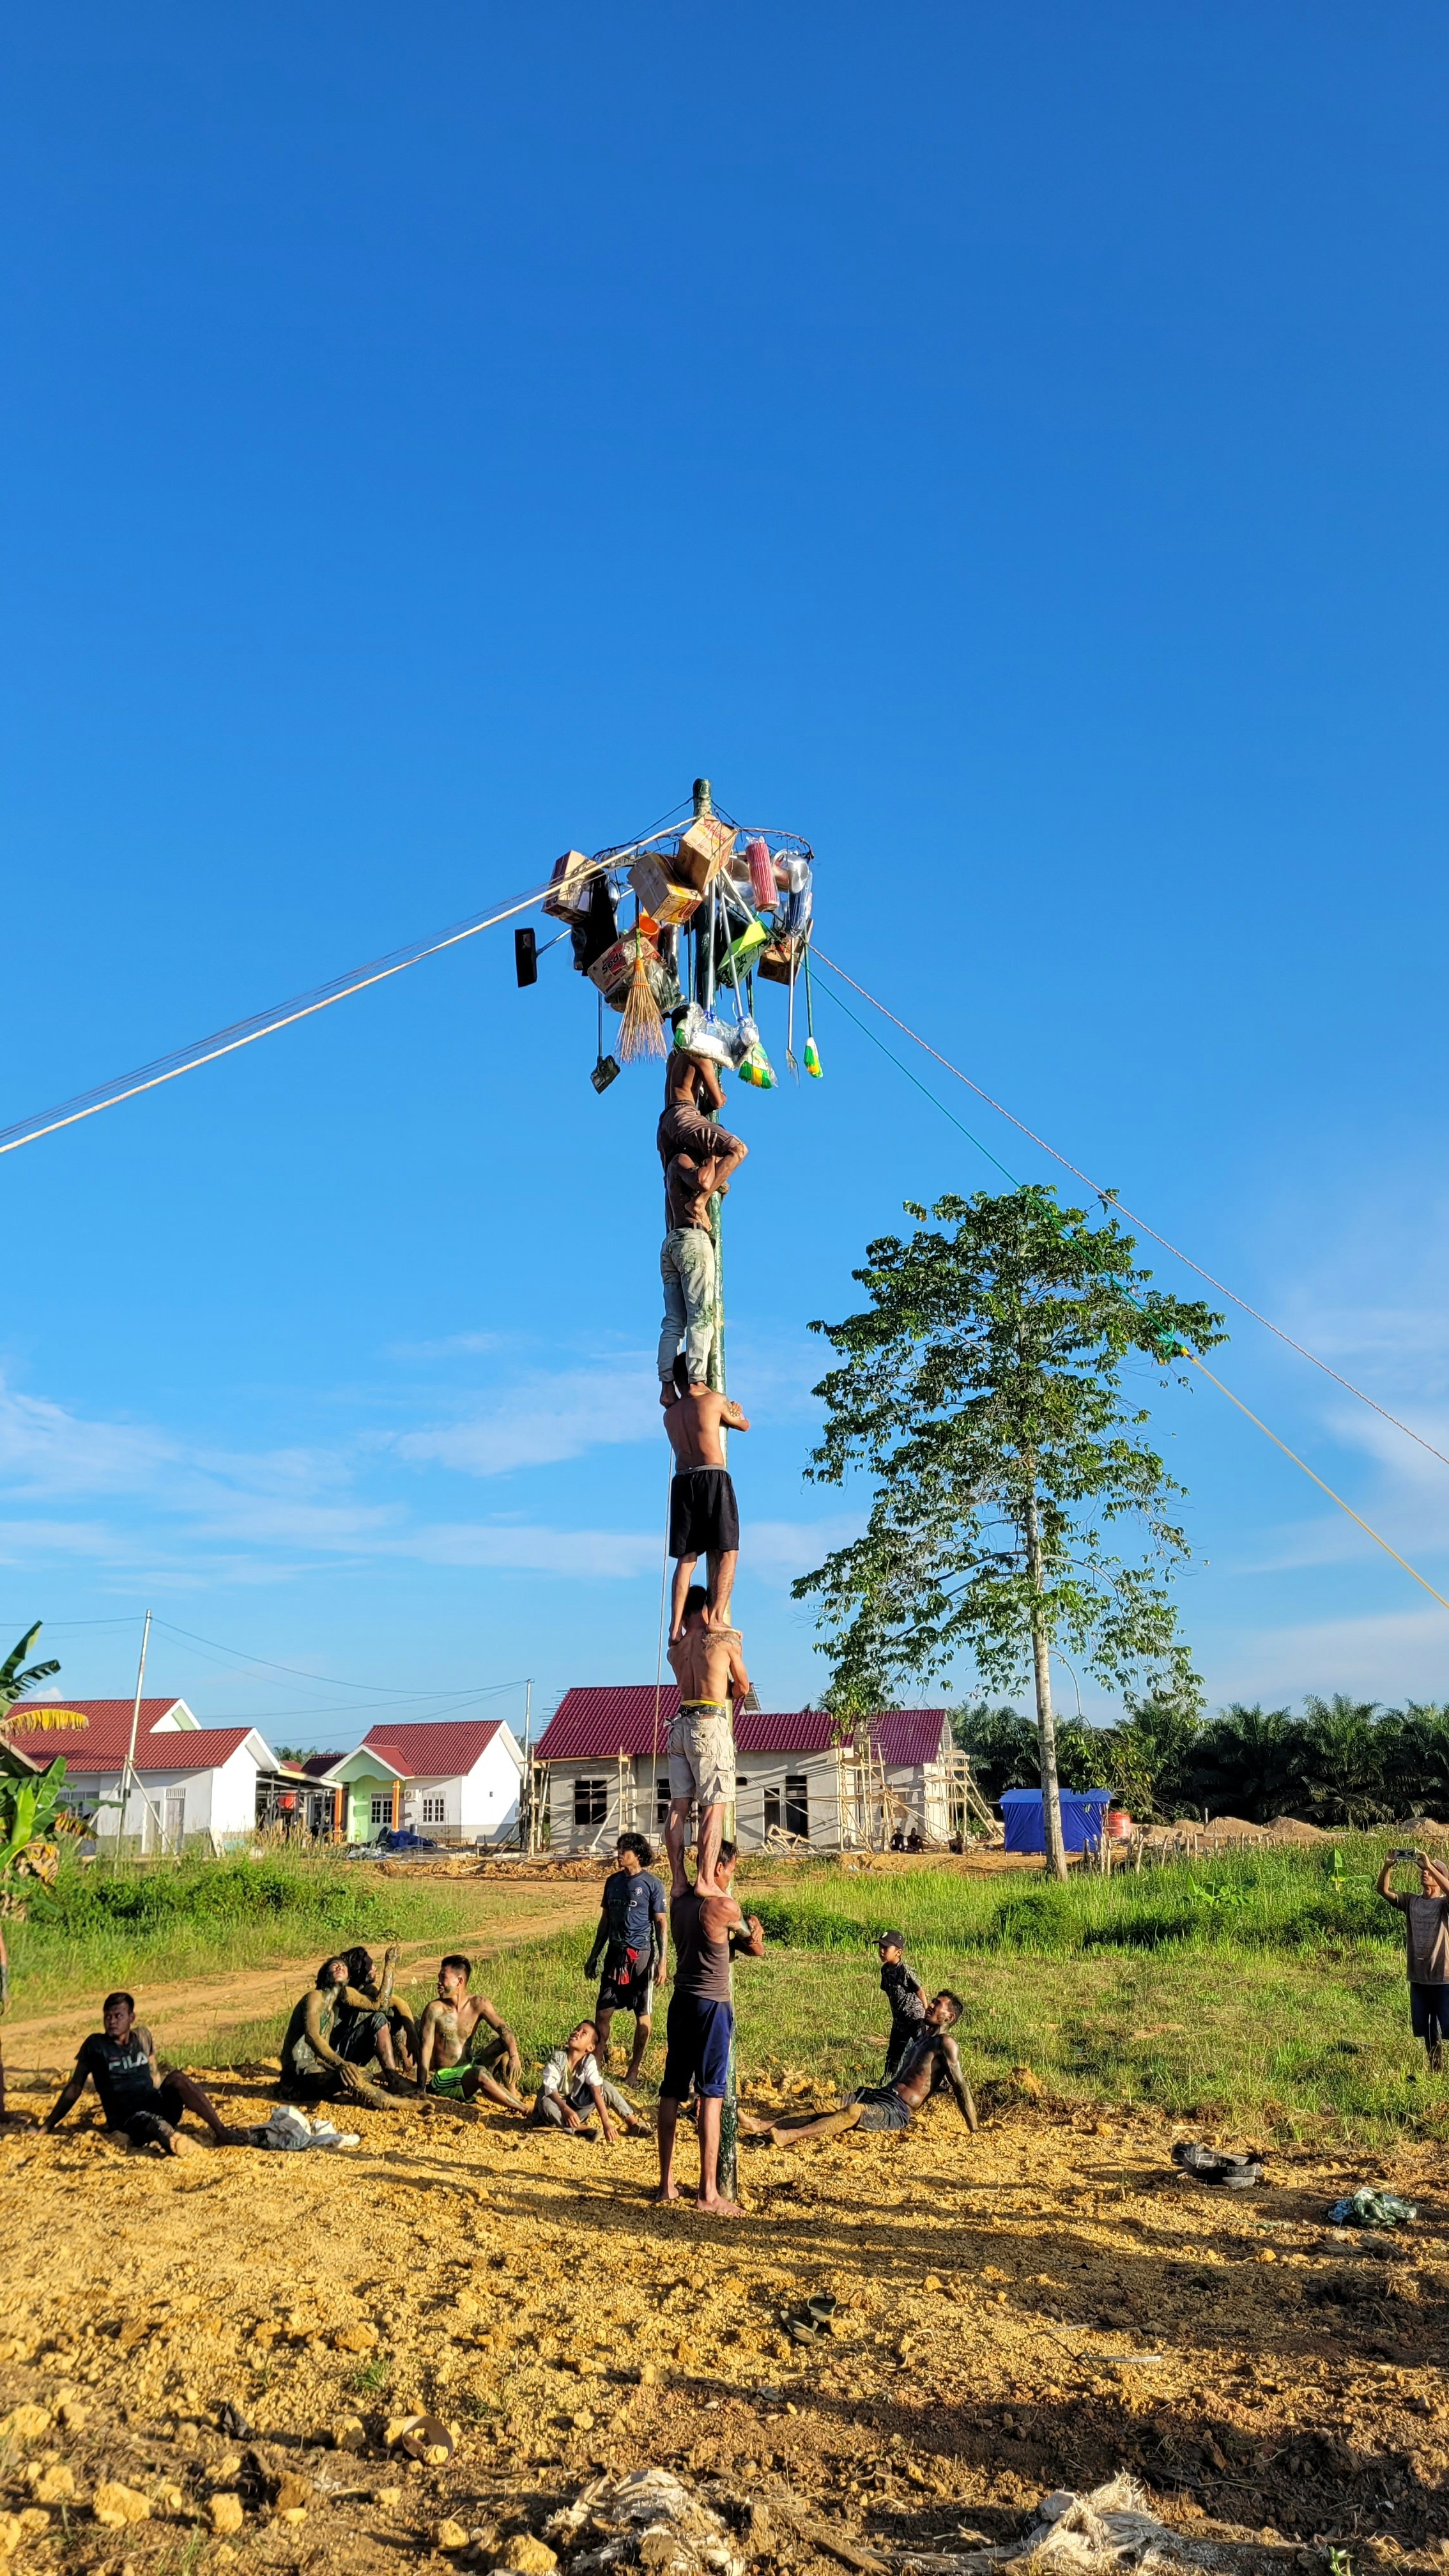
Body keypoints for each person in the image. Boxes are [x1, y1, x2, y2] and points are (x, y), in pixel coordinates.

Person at [657, 1842, 763, 2218]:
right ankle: (708, 2192)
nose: (732, 1875)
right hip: (712, 2006)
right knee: (712, 2095)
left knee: (671, 2089)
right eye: (732, 1868)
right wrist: (756, 1933)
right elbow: (754, 1945)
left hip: (681, 2000)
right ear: (719, 1866)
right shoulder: (723, 1906)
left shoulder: (681, 1899)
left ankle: (666, 2183)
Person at [740, 1992, 977, 2145]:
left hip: (898, 2109)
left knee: (852, 2111)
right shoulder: (923, 2038)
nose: (931, 2005)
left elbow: (960, 2086)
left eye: (938, 2005)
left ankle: (789, 2136)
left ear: (949, 2017)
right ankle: (763, 2125)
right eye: (934, 2001)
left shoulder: (946, 2044)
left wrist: (974, 2130)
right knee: (823, 2106)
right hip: (881, 2094)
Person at [44, 1991, 257, 2154]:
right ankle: (175, 2143)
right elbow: (74, 2088)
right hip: (128, 2119)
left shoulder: (143, 2037)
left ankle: (221, 2131)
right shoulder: (96, 2046)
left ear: (131, 2017)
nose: (112, 2021)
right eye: (108, 2017)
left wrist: (164, 2094)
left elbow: (154, 2075)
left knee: (177, 2078)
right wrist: (47, 2126)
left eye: (118, 2016)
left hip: (154, 2103)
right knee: (153, 2123)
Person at [656, 1052, 747, 1399]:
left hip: (670, 1242)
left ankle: (667, 1385)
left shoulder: (673, 1163)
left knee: (673, 1320)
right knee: (737, 1149)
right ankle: (696, 1381)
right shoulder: (699, 1049)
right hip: (692, 1241)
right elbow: (717, 1099)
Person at [665, 1585, 750, 1897]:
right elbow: (741, 1686)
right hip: (708, 1723)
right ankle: (704, 1880)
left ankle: (678, 1881)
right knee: (714, 1807)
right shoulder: (722, 1641)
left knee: (678, 1807)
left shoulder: (675, 1650)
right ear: (707, 1608)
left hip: (679, 1725)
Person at [662, 1380, 749, 1634]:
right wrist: (733, 1406)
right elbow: (744, 1424)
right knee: (728, 1552)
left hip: (682, 1480)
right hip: (712, 1475)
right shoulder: (714, 1400)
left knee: (686, 1559)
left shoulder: (670, 1415)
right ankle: (715, 1619)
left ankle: (676, 1625)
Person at [585, 1834, 668, 2082]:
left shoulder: (653, 1885)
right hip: (615, 1954)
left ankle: (633, 2071)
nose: (619, 1854)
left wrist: (662, 1961)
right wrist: (594, 1955)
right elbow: (605, 1922)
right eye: (619, 1848)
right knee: (602, 2013)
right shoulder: (612, 1882)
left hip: (641, 1956)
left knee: (642, 2014)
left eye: (625, 1849)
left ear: (639, 1854)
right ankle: (595, 2070)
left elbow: (661, 1924)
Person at [280, 1956, 397, 2110]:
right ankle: (396, 2103)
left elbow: (380, 2005)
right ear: (324, 1975)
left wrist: (390, 1965)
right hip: (296, 2077)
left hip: (313, 2071)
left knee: (362, 2073)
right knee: (351, 2076)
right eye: (334, 1966)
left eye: (343, 1966)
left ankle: (338, 2092)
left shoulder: (331, 2011)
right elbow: (312, 2037)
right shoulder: (315, 1997)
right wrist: (341, 2065)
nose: (339, 1968)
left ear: (349, 1978)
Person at [415, 1954, 527, 2111]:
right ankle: (523, 2109)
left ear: (459, 1981)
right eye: (439, 1977)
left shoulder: (478, 2004)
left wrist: (515, 2055)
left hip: (470, 2066)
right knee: (480, 2073)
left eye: (443, 1978)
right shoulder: (434, 2009)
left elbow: (504, 2029)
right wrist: (421, 2087)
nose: (438, 1983)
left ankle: (512, 2097)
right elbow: (425, 2048)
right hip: (446, 2078)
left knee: (504, 2046)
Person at [1377, 1848, 1449, 2071]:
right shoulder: (1411, 1901)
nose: (1424, 1873)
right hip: (1418, 1977)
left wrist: (1430, 1865)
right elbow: (1383, 1890)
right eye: (1424, 1870)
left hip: (1444, 1977)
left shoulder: (1444, 1904)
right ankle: (1435, 2069)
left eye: (1430, 1871)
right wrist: (1388, 1866)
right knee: (1427, 2029)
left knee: (1448, 2026)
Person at [529, 2020, 650, 2142]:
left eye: (583, 2033)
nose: (577, 2033)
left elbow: (596, 2090)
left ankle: (633, 2124)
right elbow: (550, 2088)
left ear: (590, 2047)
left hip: (576, 2111)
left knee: (605, 2085)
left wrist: (606, 2123)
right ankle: (580, 2130)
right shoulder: (558, 2058)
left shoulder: (588, 2061)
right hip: (553, 2113)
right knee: (546, 2103)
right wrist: (565, 2110)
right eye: (577, 2030)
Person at [333, 1943, 417, 2083]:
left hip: (351, 2049)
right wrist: (390, 1965)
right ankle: (394, 2080)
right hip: (337, 2056)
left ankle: (409, 2070)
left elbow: (399, 2003)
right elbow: (381, 2004)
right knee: (379, 2018)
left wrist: (412, 2033)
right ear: (360, 1971)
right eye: (370, 1966)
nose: (374, 1968)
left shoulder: (367, 1989)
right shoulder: (345, 1991)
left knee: (392, 2015)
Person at [877, 1930, 926, 2079]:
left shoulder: (905, 1970)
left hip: (914, 2018)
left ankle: (938, 2083)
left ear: (898, 1952)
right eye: (880, 1947)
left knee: (923, 2050)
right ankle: (887, 2081)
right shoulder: (885, 1970)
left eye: (886, 1948)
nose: (882, 1951)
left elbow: (920, 1992)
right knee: (893, 2054)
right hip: (899, 2019)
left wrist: (926, 2015)